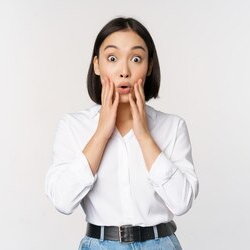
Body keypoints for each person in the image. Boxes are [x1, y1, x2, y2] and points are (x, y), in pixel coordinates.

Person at [44, 17, 199, 249]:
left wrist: (144, 136)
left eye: (136, 59)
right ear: (97, 65)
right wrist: (101, 133)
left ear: (148, 67)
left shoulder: (172, 127)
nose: (124, 71)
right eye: (113, 58)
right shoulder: (73, 126)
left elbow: (182, 203)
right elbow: (63, 201)